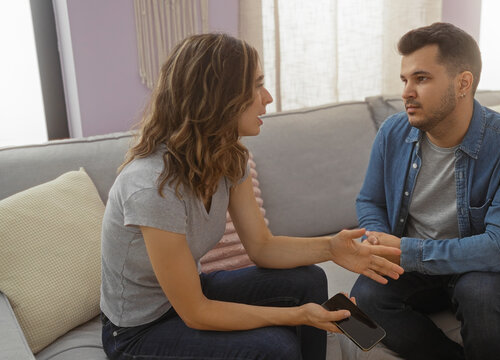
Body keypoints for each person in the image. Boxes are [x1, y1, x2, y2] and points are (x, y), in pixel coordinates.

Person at [100, 33, 404, 360]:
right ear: (219, 97)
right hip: (138, 332)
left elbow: (262, 247)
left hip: (188, 295)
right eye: (256, 85)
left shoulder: (230, 158)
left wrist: (330, 248)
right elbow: (196, 313)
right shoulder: (151, 187)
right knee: (275, 349)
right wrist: (300, 315)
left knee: (309, 279)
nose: (268, 97)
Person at [350, 22, 500, 360]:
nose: (407, 91)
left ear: (463, 83)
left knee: (479, 294)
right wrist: (378, 240)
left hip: (478, 263)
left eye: (421, 79)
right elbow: (370, 200)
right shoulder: (392, 132)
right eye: (404, 80)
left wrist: (407, 251)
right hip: (410, 265)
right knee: (359, 307)